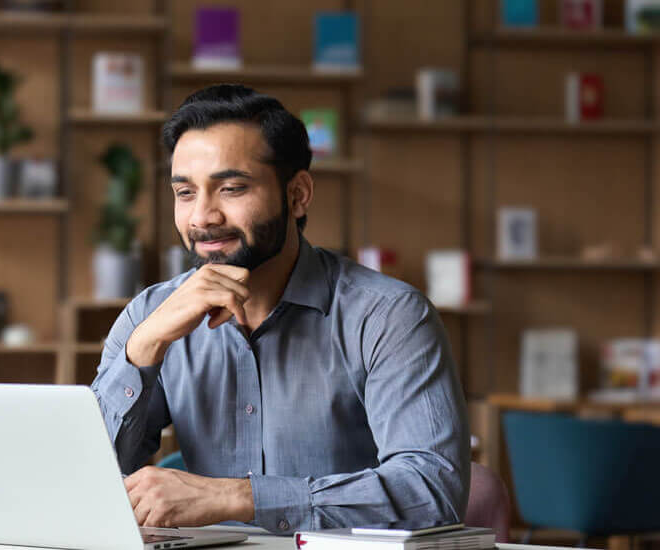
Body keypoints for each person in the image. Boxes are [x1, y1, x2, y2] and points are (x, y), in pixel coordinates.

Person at [90, 84, 469, 535]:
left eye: (231, 188)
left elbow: (432, 491)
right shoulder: (149, 316)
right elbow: (84, 483)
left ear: (297, 195)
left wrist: (238, 497)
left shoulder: (389, 317)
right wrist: (144, 349)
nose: (202, 217)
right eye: (186, 192)